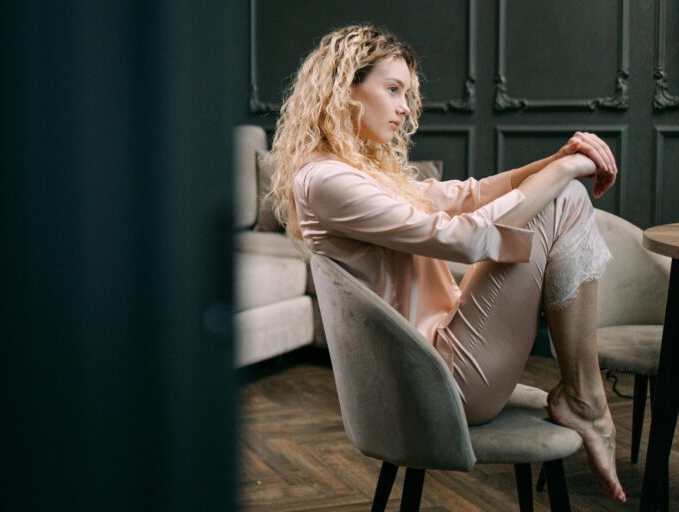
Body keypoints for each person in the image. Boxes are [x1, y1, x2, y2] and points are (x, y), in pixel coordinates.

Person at [268, 24, 626, 503]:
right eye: (392, 89)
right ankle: (587, 400)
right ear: (343, 88)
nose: (403, 107)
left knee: (563, 197)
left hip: (438, 363)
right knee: (564, 200)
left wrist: (553, 159)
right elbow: (464, 240)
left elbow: (464, 197)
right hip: (437, 384)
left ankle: (586, 397)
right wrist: (562, 172)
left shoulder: (353, 171)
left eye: (406, 94)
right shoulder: (327, 181)